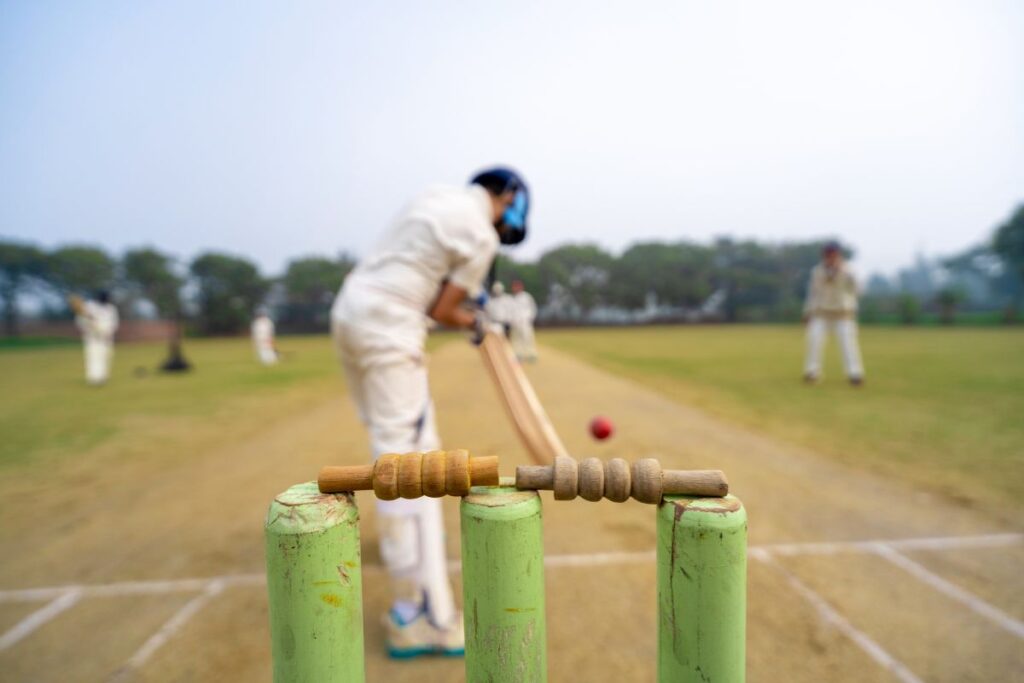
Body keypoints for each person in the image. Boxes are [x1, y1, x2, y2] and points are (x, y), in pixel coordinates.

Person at [330, 167, 530, 657]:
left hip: (349, 313)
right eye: (508, 210)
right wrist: (475, 318)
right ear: (506, 196)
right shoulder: (481, 234)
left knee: (394, 446)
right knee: (412, 464)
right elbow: (444, 310)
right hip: (390, 327)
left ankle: (416, 579)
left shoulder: (434, 195)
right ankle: (420, 615)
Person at [803, 241, 864, 386]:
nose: (830, 257)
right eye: (827, 254)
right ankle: (812, 372)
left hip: (843, 313)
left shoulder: (849, 270)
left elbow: (858, 290)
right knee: (814, 341)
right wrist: (807, 312)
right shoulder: (817, 271)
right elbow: (812, 293)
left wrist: (845, 273)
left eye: (833, 254)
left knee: (848, 344)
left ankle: (855, 374)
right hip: (821, 312)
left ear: (838, 254)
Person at [70, 290, 119, 385]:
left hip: (106, 338)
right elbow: (80, 321)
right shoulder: (89, 306)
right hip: (92, 338)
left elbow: (114, 323)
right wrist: (88, 323)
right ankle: (94, 379)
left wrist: (107, 331)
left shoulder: (111, 309)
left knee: (105, 357)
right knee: (93, 357)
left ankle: (102, 377)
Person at [509, 279, 538, 362]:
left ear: (521, 287)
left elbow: (533, 308)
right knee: (516, 339)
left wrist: (530, 318)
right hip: (515, 322)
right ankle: (518, 355)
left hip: (525, 321)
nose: (515, 288)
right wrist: (511, 320)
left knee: (528, 338)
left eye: (517, 286)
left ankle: (531, 354)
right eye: (514, 286)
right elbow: (510, 311)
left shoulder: (526, 296)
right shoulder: (512, 298)